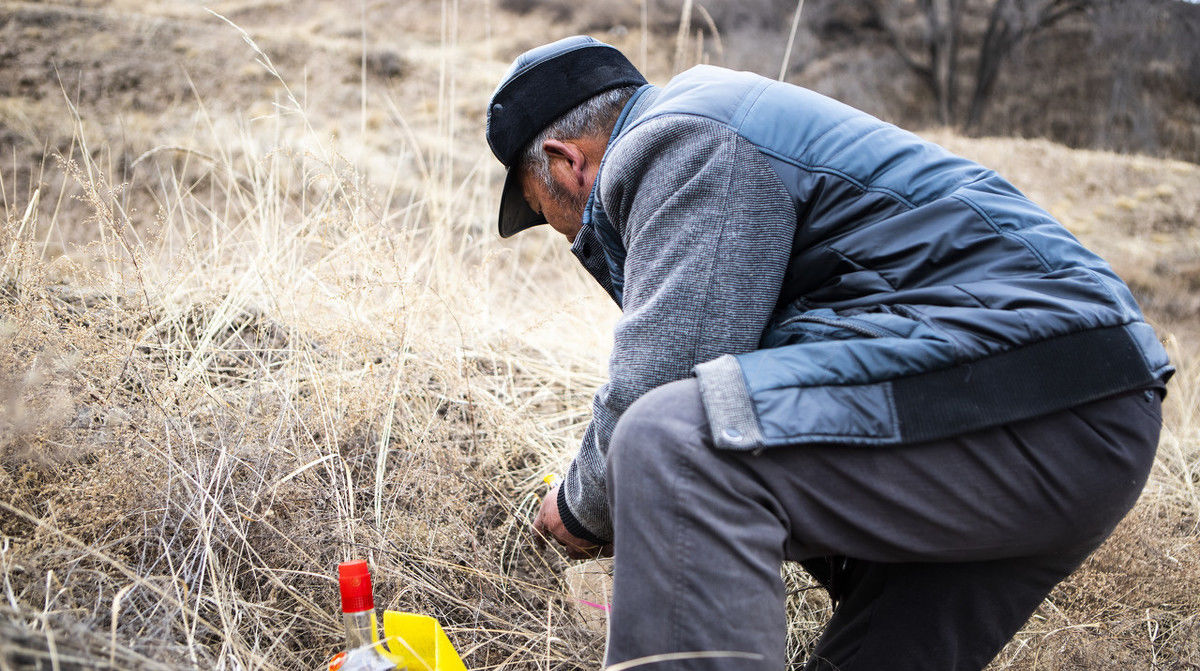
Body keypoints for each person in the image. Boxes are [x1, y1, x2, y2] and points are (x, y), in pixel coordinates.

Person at [485, 36, 1172, 671]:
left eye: (546, 212)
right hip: (1085, 415)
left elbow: (666, 375)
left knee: (673, 443)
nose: (565, 234)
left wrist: (576, 508)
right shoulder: (724, 123)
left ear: (565, 163)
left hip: (1022, 385)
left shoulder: (683, 137)